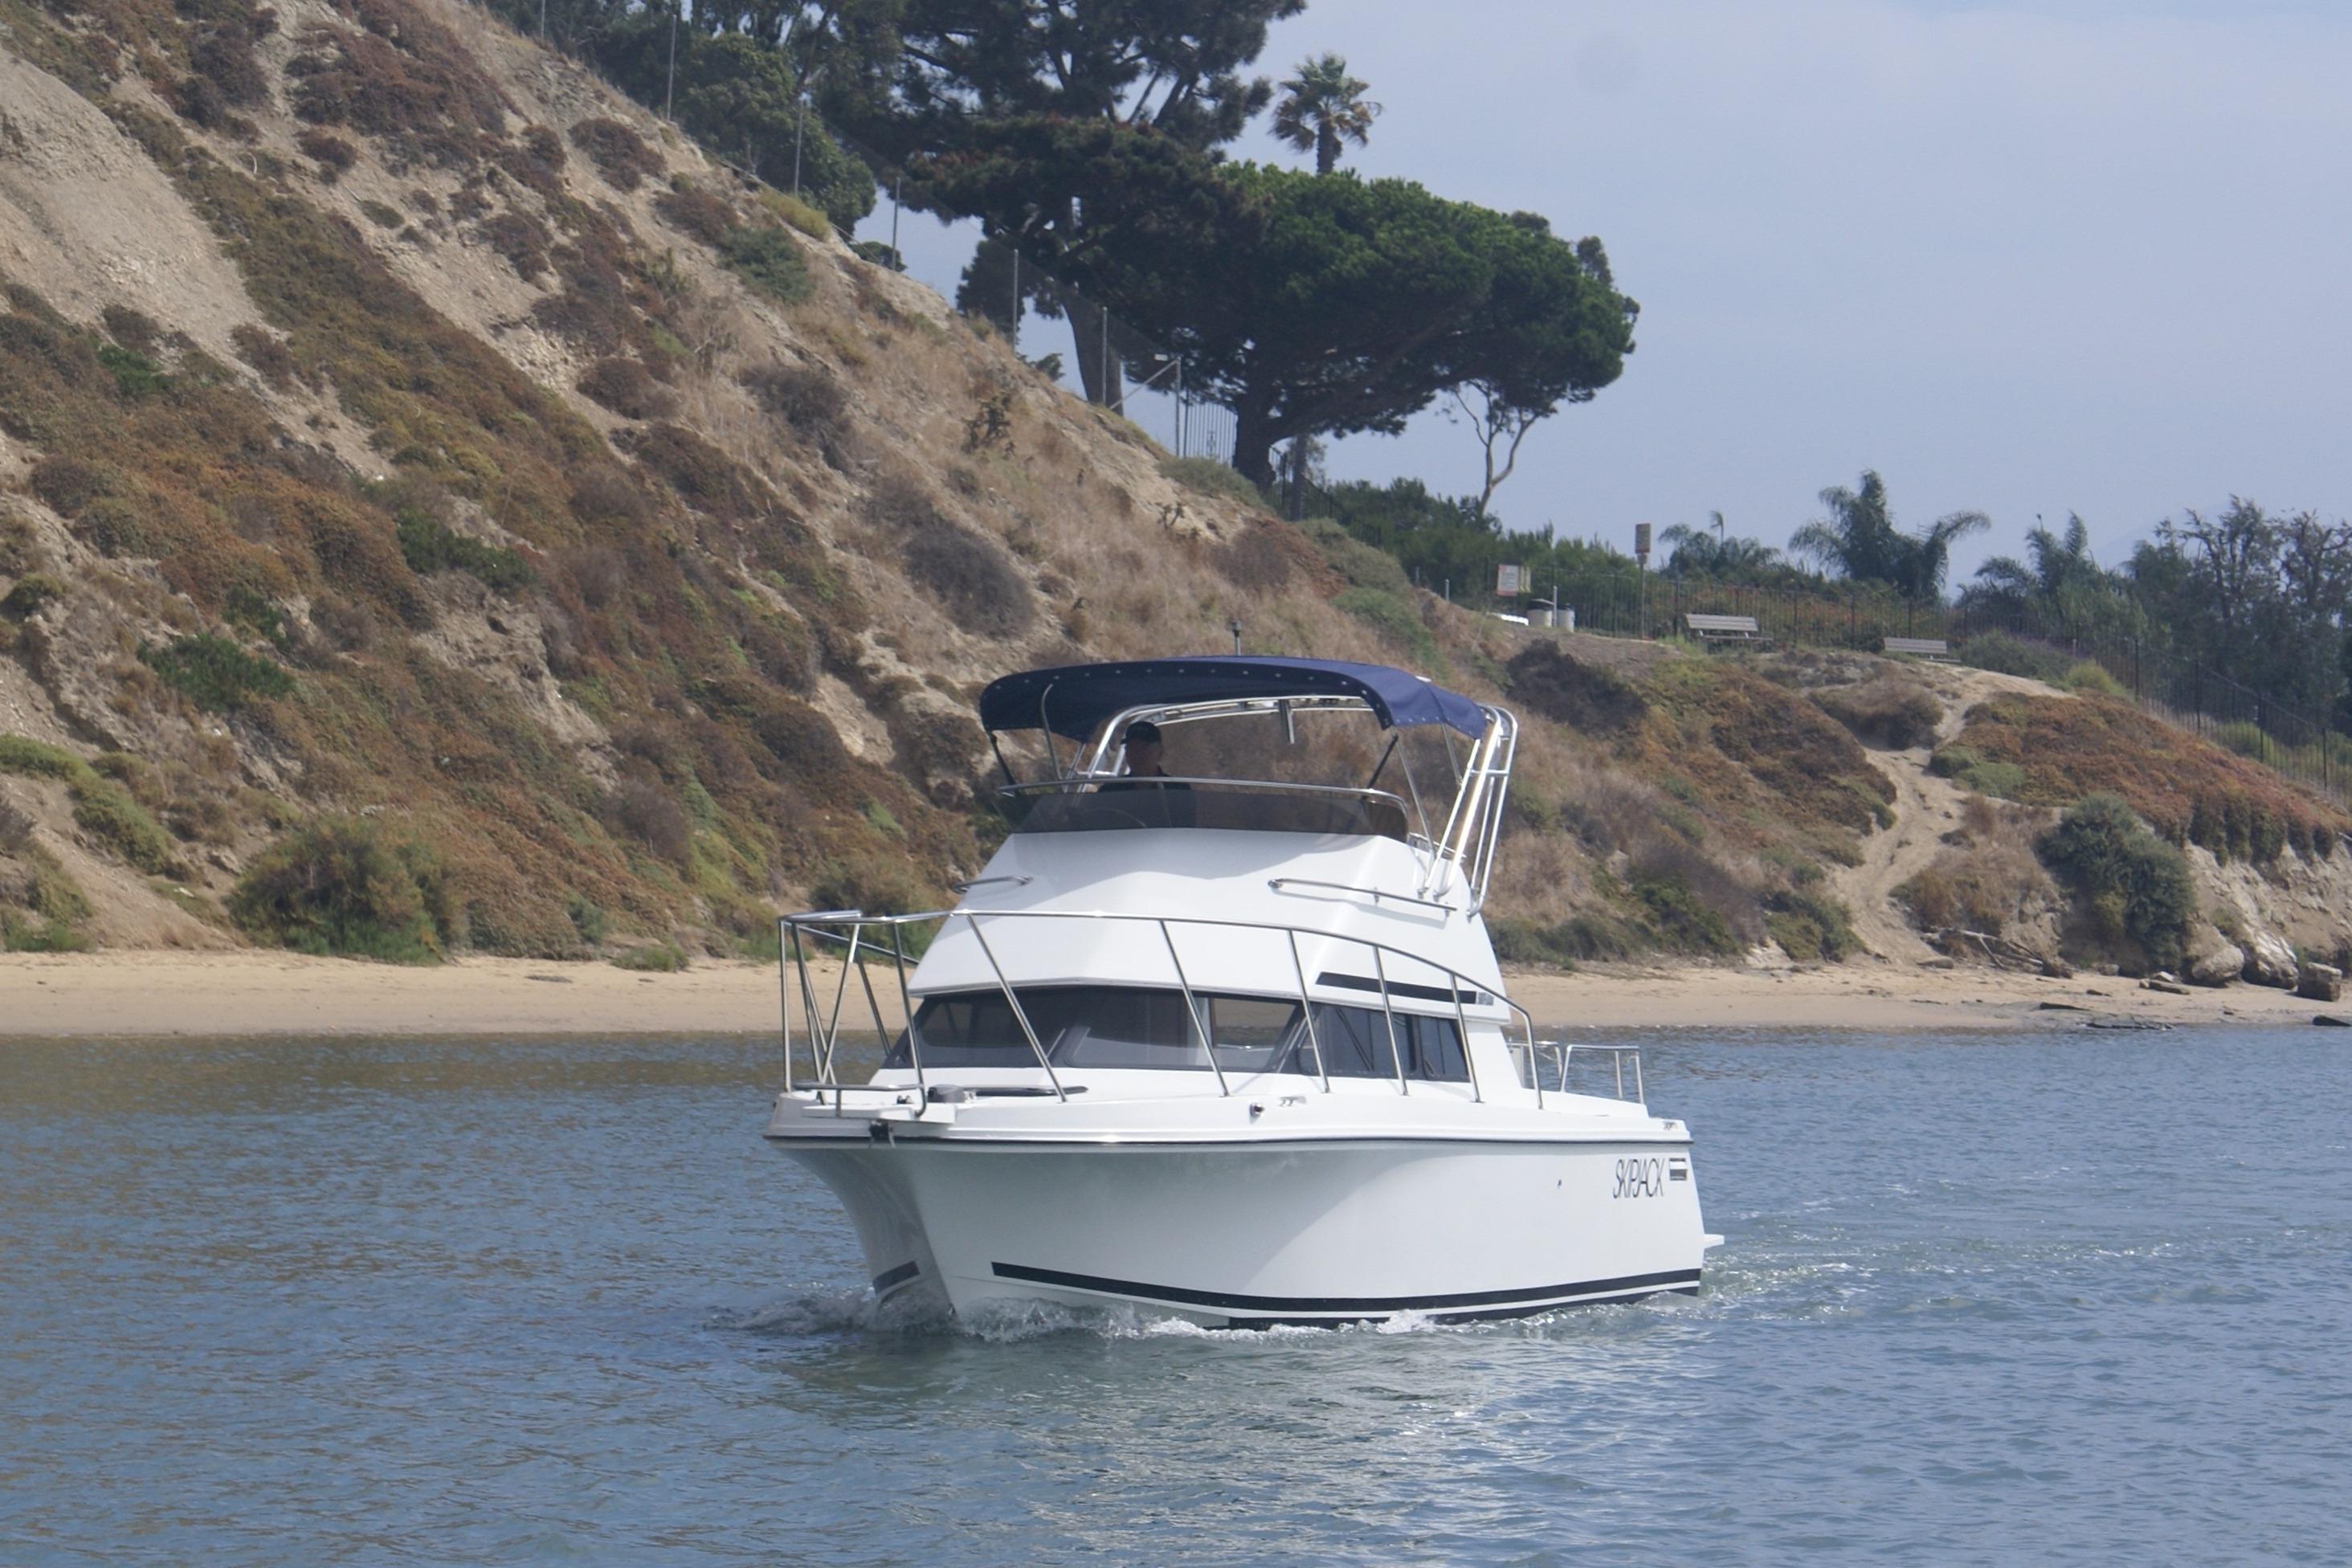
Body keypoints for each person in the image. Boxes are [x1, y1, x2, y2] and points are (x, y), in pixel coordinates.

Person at [1100, 719, 1194, 825]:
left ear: (1160, 752)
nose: (1137, 754)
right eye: (1132, 748)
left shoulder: (1178, 792)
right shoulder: (1109, 791)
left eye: (1144, 748)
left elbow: (1183, 831)